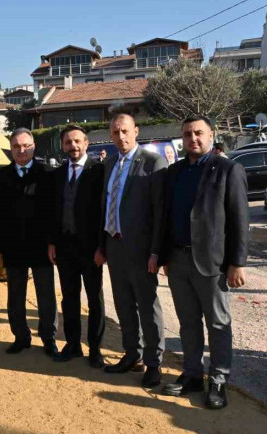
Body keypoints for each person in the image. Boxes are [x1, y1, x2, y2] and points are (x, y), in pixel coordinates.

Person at [159, 115, 248, 410]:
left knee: (218, 323)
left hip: (212, 263)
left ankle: (219, 380)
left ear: (211, 135)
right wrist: (162, 256)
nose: (193, 139)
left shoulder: (228, 169)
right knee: (187, 323)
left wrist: (237, 263)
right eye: (187, 134)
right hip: (178, 259)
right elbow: (166, 217)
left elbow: (239, 220)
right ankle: (193, 374)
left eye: (199, 133)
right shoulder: (174, 172)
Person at [95, 113, 167, 387]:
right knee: (124, 305)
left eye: (125, 131)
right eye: (115, 132)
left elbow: (160, 211)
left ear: (136, 131)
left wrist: (156, 252)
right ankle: (131, 354)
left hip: (141, 249)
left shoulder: (153, 163)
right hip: (114, 246)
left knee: (147, 307)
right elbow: (106, 205)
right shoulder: (110, 162)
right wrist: (102, 246)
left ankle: (153, 363)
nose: (121, 137)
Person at [0, 128, 59, 356]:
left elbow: (54, 212)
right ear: (10, 149)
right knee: (15, 295)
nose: (21, 150)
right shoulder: (1, 177)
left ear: (33, 146)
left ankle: (48, 337)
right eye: (16, 146)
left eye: (26, 146)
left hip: (41, 246)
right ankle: (20, 337)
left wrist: (52, 242)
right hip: (14, 247)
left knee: (46, 295)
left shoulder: (48, 174)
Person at [47, 125, 105, 366]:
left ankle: (95, 349)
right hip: (64, 247)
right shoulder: (57, 174)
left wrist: (102, 246)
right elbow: (52, 211)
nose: (73, 146)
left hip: (91, 248)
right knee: (69, 298)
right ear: (63, 145)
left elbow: (104, 212)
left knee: (94, 299)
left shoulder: (99, 171)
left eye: (78, 141)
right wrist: (51, 242)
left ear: (86, 143)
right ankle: (72, 344)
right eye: (68, 142)